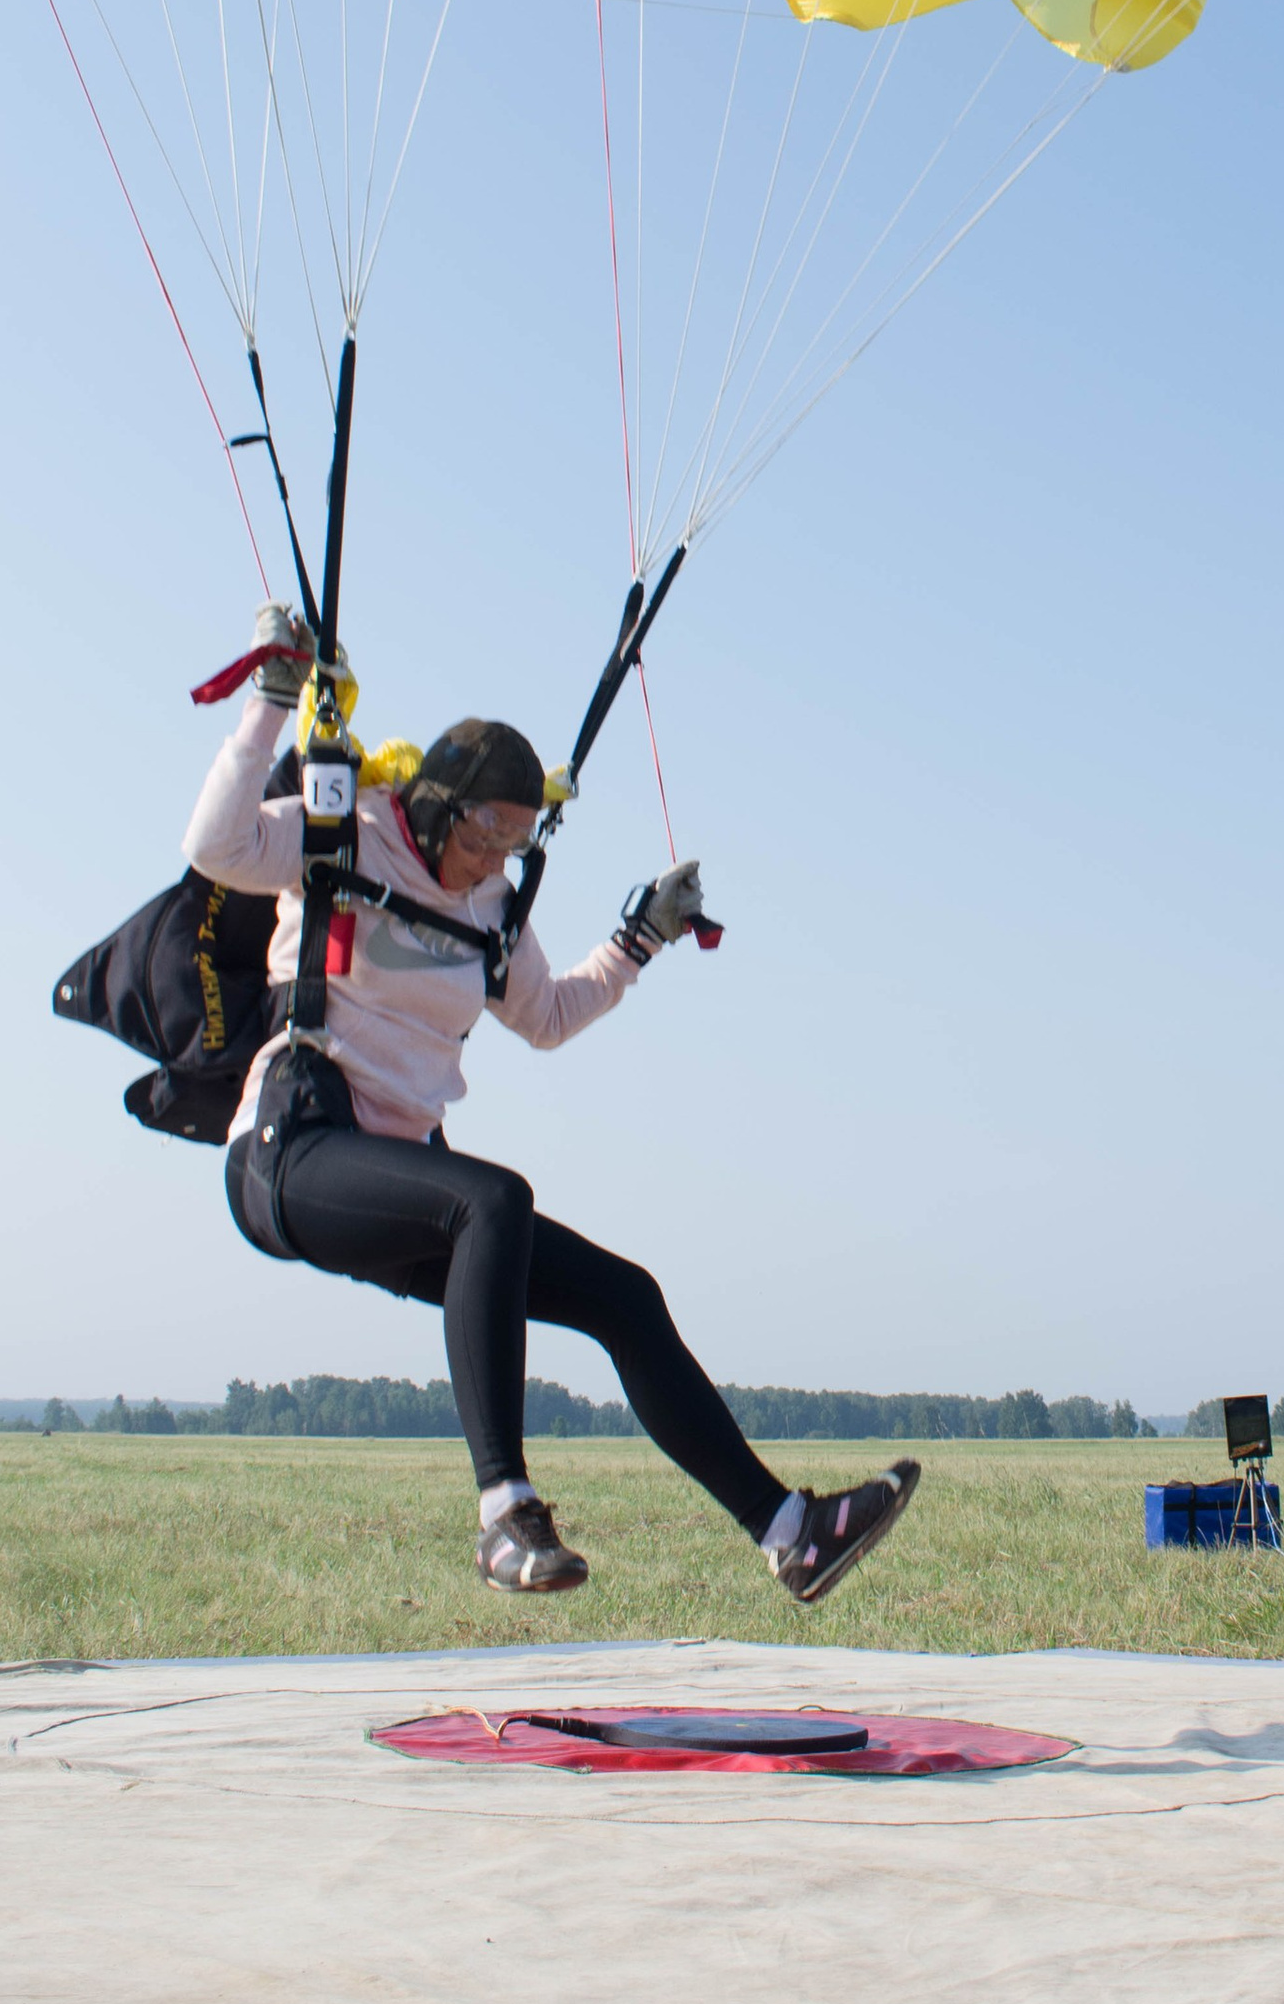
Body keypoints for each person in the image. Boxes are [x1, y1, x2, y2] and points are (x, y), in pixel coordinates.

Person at [187, 604, 920, 1603]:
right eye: (488, 836)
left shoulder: (491, 906)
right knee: (492, 1202)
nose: (496, 862)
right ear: (441, 808)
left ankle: (790, 1532)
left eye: (515, 845)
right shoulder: (343, 831)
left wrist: (641, 941)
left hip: (400, 1180)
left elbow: (544, 1015)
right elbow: (215, 846)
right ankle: (504, 1516)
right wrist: (271, 705)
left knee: (625, 1295)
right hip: (291, 1153)